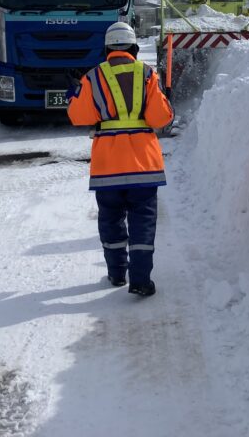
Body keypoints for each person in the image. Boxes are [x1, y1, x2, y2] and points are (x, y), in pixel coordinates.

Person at [66, 21, 173, 297]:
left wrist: (73, 94)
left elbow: (79, 117)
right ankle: (140, 280)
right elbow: (160, 118)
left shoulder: (92, 77)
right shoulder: (147, 74)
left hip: (108, 165)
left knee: (111, 220)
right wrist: (166, 100)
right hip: (143, 165)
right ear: (134, 47)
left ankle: (116, 274)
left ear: (107, 48)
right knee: (142, 223)